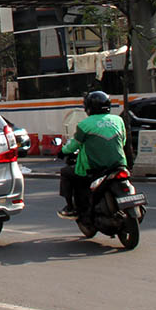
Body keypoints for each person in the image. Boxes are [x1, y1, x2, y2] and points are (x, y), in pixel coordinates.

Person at [57, 90, 128, 219]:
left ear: (88, 108)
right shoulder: (118, 120)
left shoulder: (85, 124)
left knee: (66, 172)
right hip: (119, 164)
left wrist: (62, 151)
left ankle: (71, 208)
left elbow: (74, 144)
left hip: (96, 168)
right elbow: (122, 141)